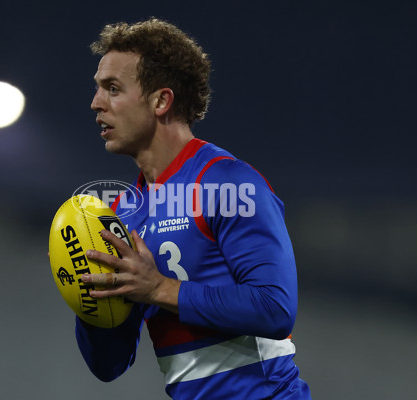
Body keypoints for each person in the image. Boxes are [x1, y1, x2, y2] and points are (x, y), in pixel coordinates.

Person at [75, 18, 311, 399]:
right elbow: (109, 366)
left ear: (161, 101)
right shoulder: (121, 213)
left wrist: (159, 288)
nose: (96, 103)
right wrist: (84, 295)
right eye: (99, 89)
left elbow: (275, 307)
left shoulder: (228, 184)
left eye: (113, 89)